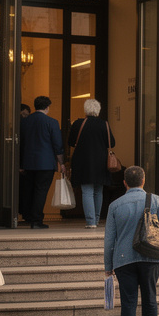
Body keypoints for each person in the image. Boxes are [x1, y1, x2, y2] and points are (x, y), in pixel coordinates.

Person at [103, 166, 159, 316]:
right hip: (151, 257)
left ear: (125, 183)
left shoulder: (115, 205)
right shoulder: (156, 200)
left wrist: (108, 266)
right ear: (143, 181)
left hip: (123, 259)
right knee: (150, 298)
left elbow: (110, 240)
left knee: (128, 302)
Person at [68, 98, 116, 229]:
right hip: (101, 161)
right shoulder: (104, 124)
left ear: (85, 110)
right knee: (98, 191)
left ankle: (90, 222)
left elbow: (71, 142)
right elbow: (112, 143)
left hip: (83, 161)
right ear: (98, 110)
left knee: (87, 191)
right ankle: (96, 218)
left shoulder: (78, 123)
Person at [19, 95, 64, 229]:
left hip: (28, 162)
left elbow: (20, 143)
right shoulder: (52, 122)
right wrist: (61, 163)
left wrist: (20, 163)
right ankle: (36, 220)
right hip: (46, 163)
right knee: (41, 191)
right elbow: (57, 145)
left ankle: (27, 216)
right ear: (47, 107)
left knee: (29, 190)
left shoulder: (25, 122)